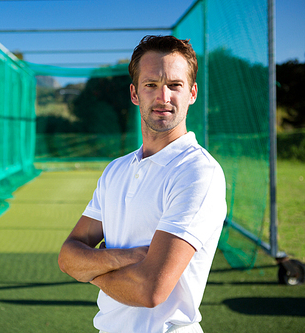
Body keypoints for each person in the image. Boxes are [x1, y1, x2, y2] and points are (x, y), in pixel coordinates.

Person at [58, 35, 227, 333]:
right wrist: (131, 257)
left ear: (192, 93)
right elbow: (68, 255)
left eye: (175, 85)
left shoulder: (198, 172)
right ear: (135, 94)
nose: (163, 96)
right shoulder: (116, 170)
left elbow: (150, 290)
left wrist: (89, 270)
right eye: (151, 85)